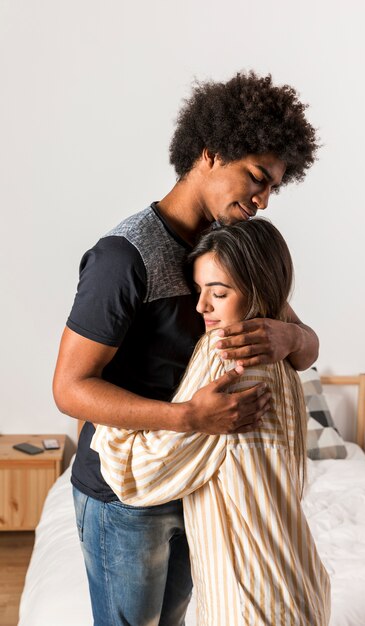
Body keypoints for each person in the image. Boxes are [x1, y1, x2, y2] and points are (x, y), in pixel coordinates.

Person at [53, 71, 320, 626]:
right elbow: (69, 389)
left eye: (273, 186)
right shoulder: (124, 256)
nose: (264, 199)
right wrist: (188, 417)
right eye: (257, 177)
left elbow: (307, 347)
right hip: (122, 497)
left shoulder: (230, 251)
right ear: (211, 152)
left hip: (194, 486)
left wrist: (289, 335)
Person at [91, 218, 331, 626]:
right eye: (199, 290)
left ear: (258, 291)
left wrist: (104, 412)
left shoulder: (226, 353)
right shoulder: (285, 357)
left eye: (218, 293)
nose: (201, 306)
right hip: (298, 584)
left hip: (250, 600)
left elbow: (143, 475)